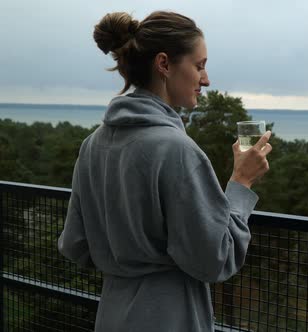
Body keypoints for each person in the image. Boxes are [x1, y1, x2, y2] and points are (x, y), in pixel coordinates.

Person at [57, 10, 272, 332]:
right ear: (164, 64)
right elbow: (215, 259)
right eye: (199, 65)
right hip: (170, 316)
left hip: (113, 312)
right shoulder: (177, 150)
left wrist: (125, 253)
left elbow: (74, 244)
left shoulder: (93, 144)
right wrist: (241, 181)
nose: (206, 79)